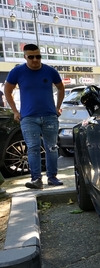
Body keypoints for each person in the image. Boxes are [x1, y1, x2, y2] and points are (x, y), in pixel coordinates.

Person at [4, 44, 65, 189]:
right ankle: (36, 179)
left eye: (38, 56)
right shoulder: (17, 72)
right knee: (33, 148)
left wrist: (57, 108)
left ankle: (52, 177)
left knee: (52, 147)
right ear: (25, 57)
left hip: (50, 116)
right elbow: (7, 91)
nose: (35, 59)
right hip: (28, 118)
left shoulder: (50, 71)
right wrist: (15, 111)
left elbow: (61, 87)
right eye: (31, 57)